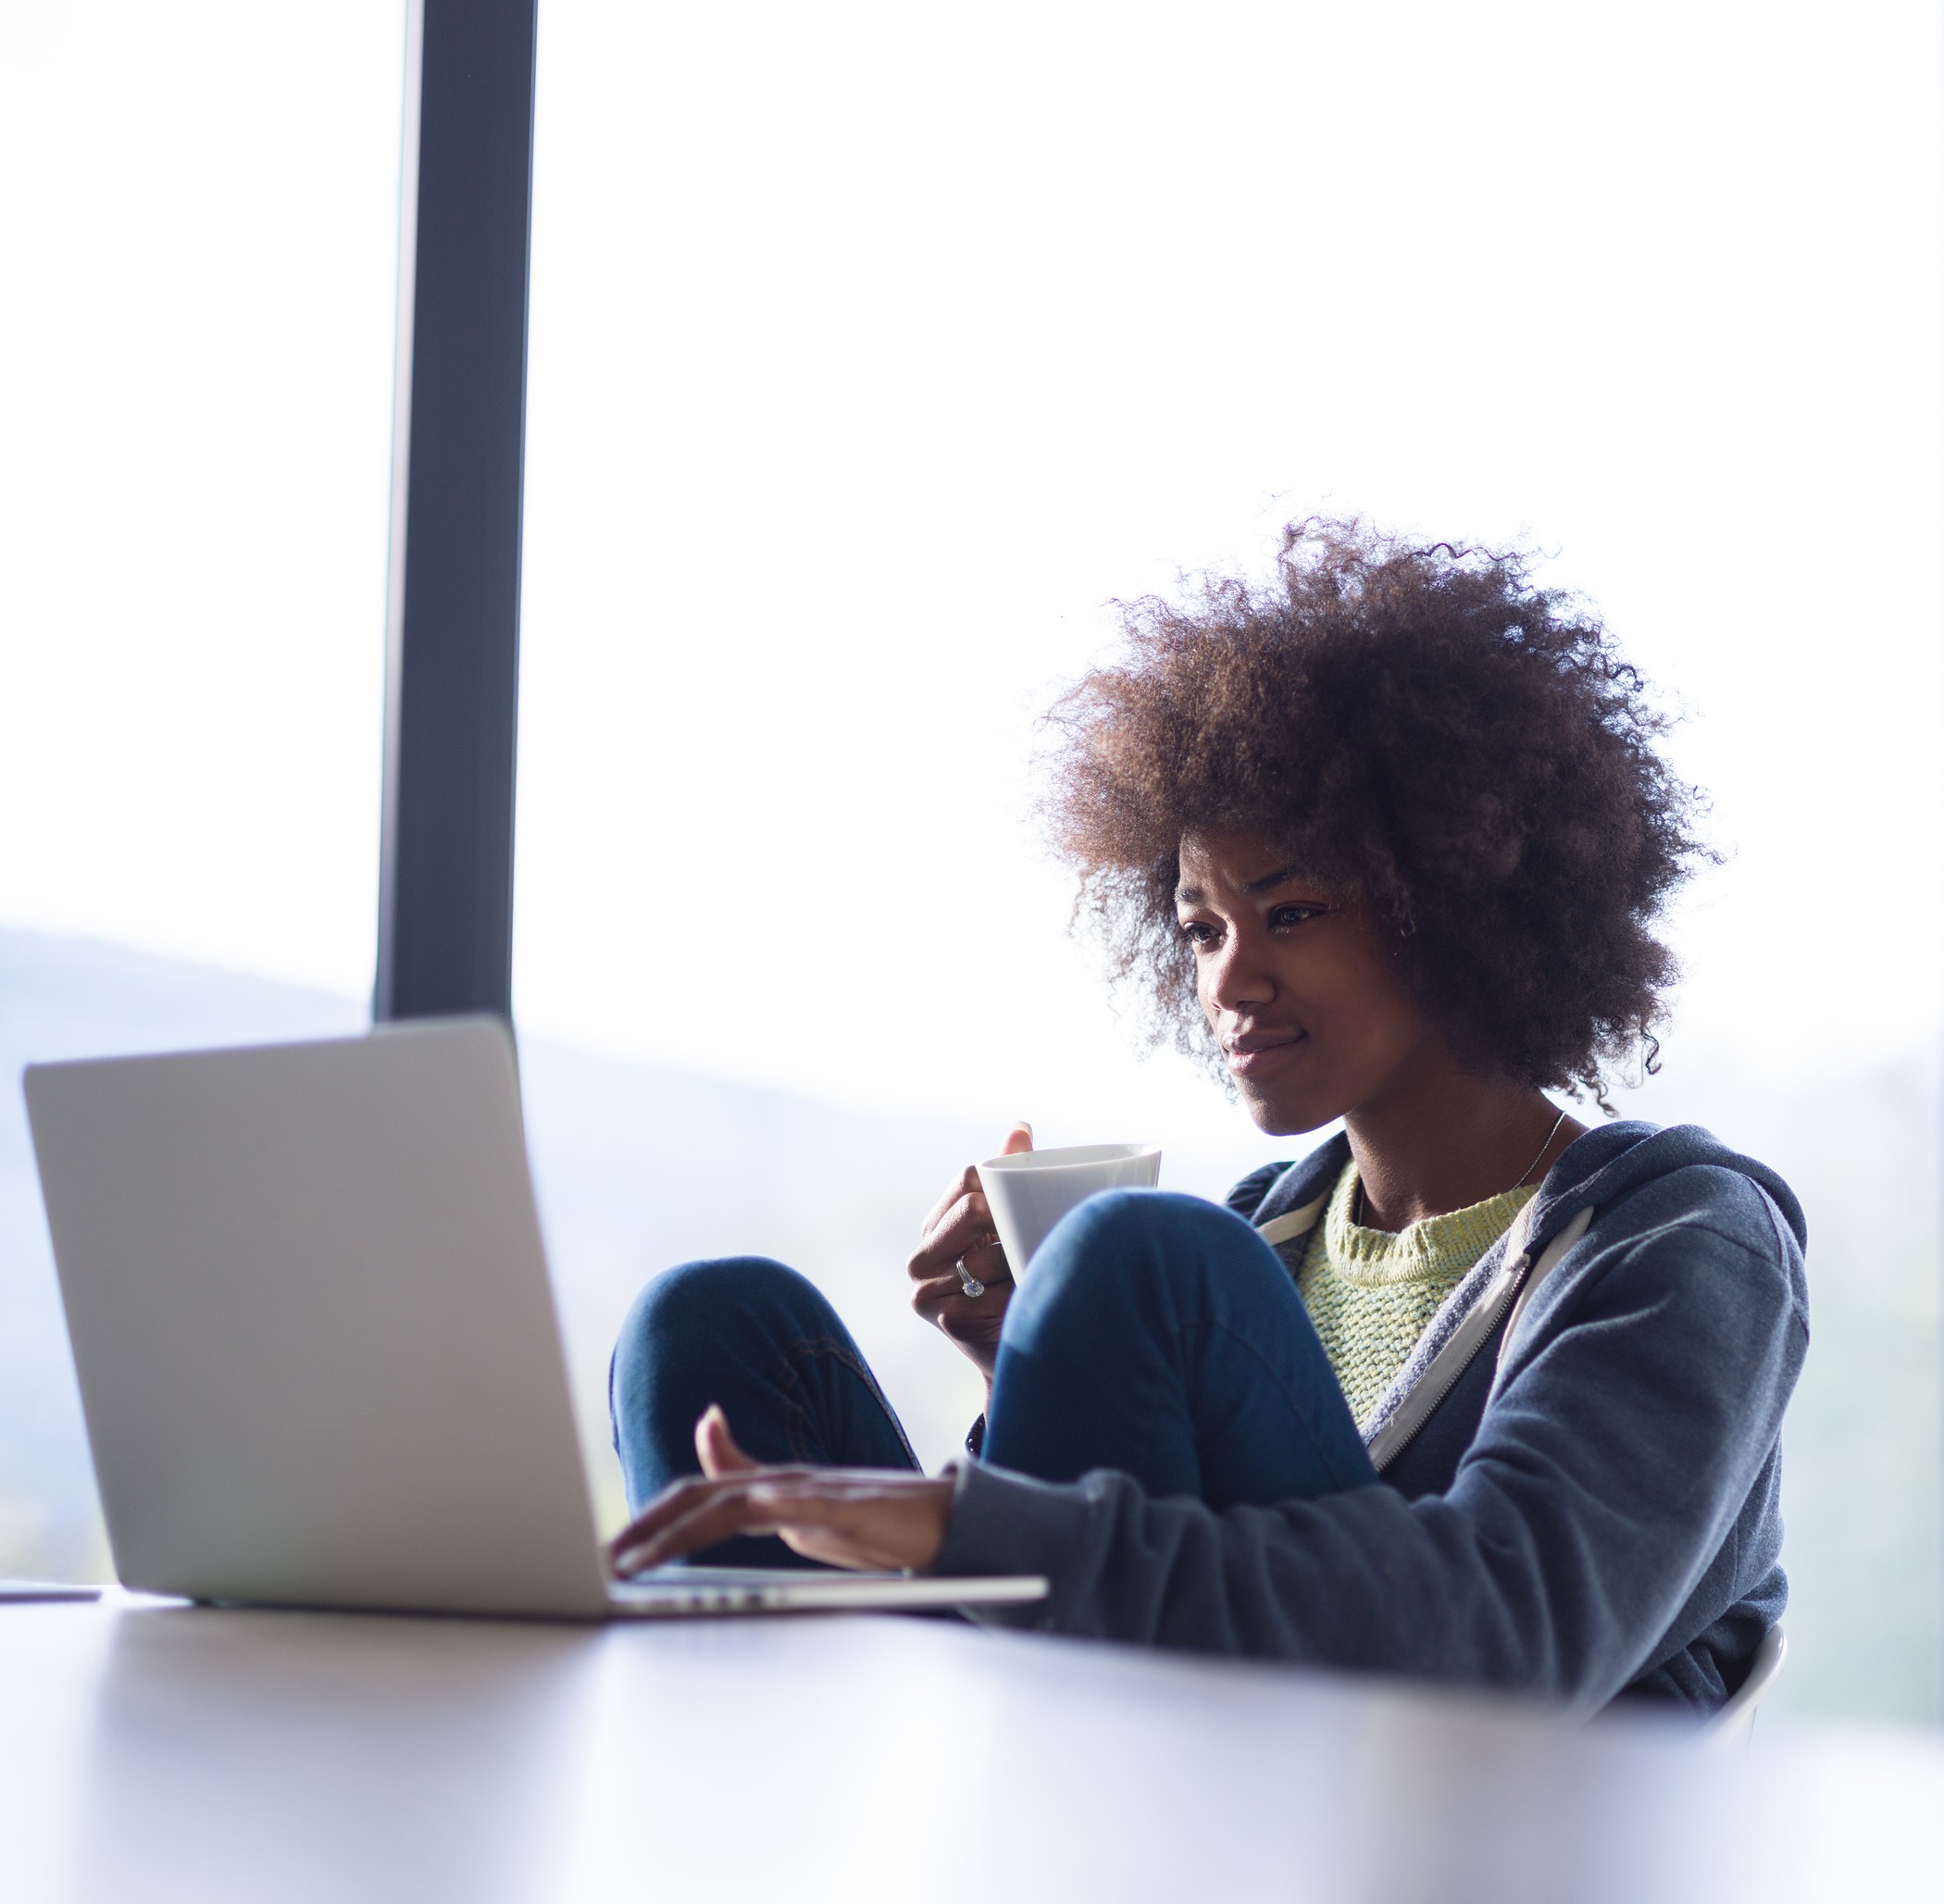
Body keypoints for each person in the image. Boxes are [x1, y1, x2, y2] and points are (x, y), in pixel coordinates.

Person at [605, 520, 1807, 1713]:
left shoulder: (1677, 1244)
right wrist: (1030, 1361)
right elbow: (1149, 1569)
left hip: (1429, 1818)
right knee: (708, 1325)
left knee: (1141, 1256)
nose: (1228, 982)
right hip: (1149, 1734)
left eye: (1289, 916)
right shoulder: (1265, 1238)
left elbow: (1502, 1630)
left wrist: (984, 1514)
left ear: (1453, 903)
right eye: (1200, 929)